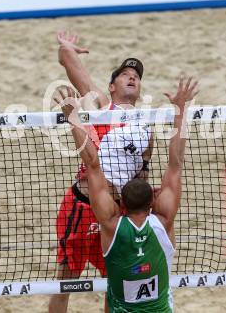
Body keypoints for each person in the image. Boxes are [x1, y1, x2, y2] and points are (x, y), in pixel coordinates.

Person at [55, 75, 198, 312]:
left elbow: (92, 164)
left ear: (121, 204)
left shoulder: (111, 224)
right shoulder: (163, 222)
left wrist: (73, 118)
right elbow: (176, 163)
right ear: (154, 199)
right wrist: (181, 111)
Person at [49, 32, 153, 313]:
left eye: (137, 75)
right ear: (111, 85)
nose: (132, 77)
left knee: (115, 282)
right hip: (82, 208)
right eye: (125, 74)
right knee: (66, 281)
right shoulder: (100, 106)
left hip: (116, 213)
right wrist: (66, 48)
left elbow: (141, 179)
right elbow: (69, 63)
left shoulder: (146, 127)